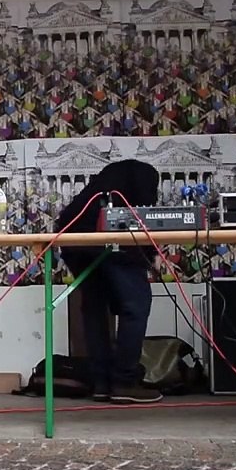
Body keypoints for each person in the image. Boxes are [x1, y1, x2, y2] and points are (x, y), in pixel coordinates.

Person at [54, 159, 164, 404]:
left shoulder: (95, 193)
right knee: (136, 305)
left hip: (74, 242)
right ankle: (124, 382)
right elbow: (141, 218)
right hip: (109, 241)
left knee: (94, 307)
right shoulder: (141, 180)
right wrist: (152, 254)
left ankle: (102, 382)